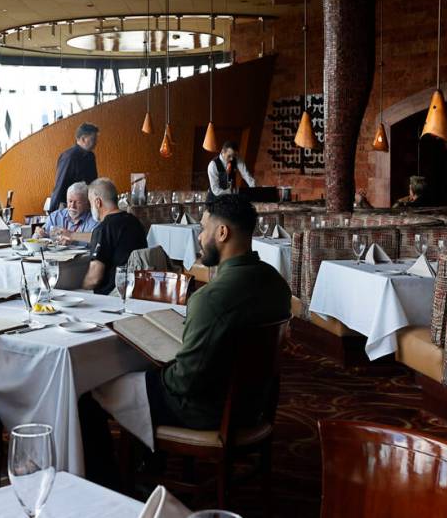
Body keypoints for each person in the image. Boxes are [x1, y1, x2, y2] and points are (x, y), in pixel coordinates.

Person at [79, 195, 291, 486]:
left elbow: (184, 382)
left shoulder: (211, 299)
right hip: (253, 405)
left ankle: (110, 484)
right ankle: (151, 461)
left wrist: (157, 369)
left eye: (203, 229)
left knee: (88, 391)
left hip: (206, 411)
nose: (200, 237)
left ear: (222, 233)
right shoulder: (277, 284)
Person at [82, 178, 147, 295]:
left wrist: (79, 288)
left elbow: (94, 279)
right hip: (140, 290)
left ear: (98, 202)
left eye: (90, 202)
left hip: (112, 296)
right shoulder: (135, 221)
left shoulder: (103, 229)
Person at [49, 123, 99, 212]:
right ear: (83, 139)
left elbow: (92, 182)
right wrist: (56, 210)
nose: (96, 142)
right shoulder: (70, 157)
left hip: (85, 204)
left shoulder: (90, 156)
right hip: (70, 206)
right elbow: (61, 183)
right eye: (93, 139)